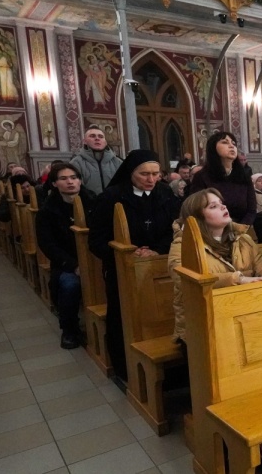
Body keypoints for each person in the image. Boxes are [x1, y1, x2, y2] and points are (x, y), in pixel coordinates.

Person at [166, 189, 262, 472]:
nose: (223, 208)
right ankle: (240, 449)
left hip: (243, 324)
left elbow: (261, 265)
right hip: (201, 329)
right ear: (197, 217)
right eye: (213, 206)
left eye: (222, 203)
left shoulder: (243, 238)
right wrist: (237, 279)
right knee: (234, 382)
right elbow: (184, 278)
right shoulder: (184, 244)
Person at [89, 150, 181, 382]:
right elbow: (97, 238)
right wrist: (127, 251)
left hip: (160, 264)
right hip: (122, 266)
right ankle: (124, 367)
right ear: (131, 173)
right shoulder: (111, 197)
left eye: (155, 174)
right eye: (144, 174)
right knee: (123, 313)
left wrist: (157, 250)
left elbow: (176, 229)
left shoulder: (166, 194)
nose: (151, 180)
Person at [36, 163, 96, 349]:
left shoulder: (94, 201)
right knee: (70, 286)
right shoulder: (47, 211)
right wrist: (73, 266)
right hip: (67, 262)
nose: (70, 182)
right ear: (54, 183)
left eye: (73, 178)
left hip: (96, 258)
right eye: (63, 179)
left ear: (80, 180)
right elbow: (48, 245)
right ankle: (69, 329)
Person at [188, 132, 257, 225]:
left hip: (241, 230)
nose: (231, 146)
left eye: (233, 143)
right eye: (225, 142)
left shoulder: (243, 176)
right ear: (213, 148)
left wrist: (240, 228)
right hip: (213, 230)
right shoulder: (202, 177)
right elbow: (197, 209)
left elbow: (251, 210)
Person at [69, 127, 123, 195]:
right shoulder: (75, 163)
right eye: (92, 136)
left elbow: (124, 185)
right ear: (84, 141)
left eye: (101, 136)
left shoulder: (118, 162)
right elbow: (76, 188)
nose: (97, 138)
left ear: (105, 142)